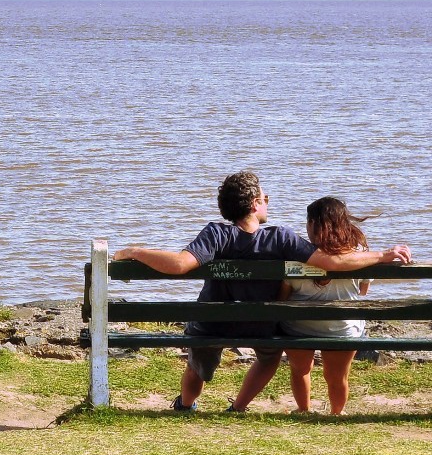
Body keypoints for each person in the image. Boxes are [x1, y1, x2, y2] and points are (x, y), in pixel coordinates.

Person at [112, 170, 412, 414]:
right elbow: (331, 262)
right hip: (260, 325)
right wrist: (383, 256)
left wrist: (135, 251)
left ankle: (186, 405)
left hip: (211, 324)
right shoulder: (280, 237)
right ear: (255, 204)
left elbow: (179, 265)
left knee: (197, 364)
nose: (268, 202)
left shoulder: (216, 233)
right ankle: (239, 407)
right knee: (269, 357)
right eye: (265, 198)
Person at [277, 197, 374, 416]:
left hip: (298, 328)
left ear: (313, 224)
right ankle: (337, 414)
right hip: (342, 329)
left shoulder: (297, 254)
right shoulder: (359, 254)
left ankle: (303, 410)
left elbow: (283, 297)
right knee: (338, 376)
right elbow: (363, 292)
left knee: (300, 369)